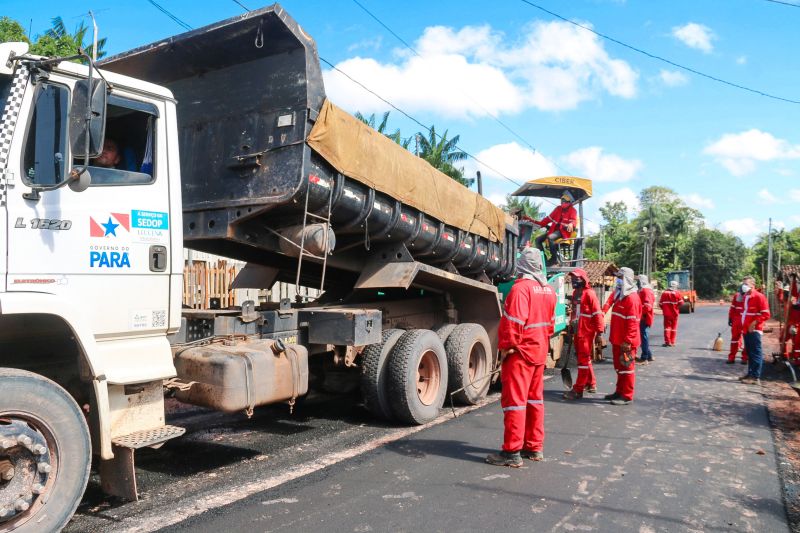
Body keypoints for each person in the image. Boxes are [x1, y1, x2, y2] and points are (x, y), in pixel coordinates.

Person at [486, 248, 557, 467]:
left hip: (520, 354)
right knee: (535, 401)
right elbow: (550, 325)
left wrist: (506, 347)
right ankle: (534, 448)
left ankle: (512, 452)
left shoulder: (520, 290)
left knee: (515, 402)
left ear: (522, 266)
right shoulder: (548, 291)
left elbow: (514, 322)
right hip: (538, 352)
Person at [563, 268, 604, 400]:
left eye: (577, 278)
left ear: (583, 279)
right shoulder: (575, 293)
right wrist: (570, 325)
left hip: (586, 332)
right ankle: (591, 384)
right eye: (573, 278)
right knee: (584, 359)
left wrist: (599, 333)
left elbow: (597, 314)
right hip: (577, 330)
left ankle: (578, 389)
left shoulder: (590, 294)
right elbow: (574, 311)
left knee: (583, 360)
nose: (574, 280)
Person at [604, 267, 641, 405]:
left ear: (626, 279)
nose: (617, 280)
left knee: (627, 368)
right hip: (617, 339)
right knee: (619, 367)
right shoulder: (620, 294)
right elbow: (608, 302)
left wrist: (628, 341)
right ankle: (619, 391)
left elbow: (633, 323)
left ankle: (627, 395)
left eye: (620, 277)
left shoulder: (631, 298)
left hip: (626, 342)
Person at [738, 276, 771, 384]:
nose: (744, 286)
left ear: (753, 285)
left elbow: (766, 314)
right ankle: (750, 374)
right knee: (750, 353)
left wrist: (754, 323)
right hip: (746, 329)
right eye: (743, 284)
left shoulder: (759, 296)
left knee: (756, 352)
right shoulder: (745, 296)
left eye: (746, 284)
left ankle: (755, 377)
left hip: (754, 330)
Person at [532, 191, 578, 266]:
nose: (562, 202)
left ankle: (554, 258)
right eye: (562, 201)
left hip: (563, 232)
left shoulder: (573, 210)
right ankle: (544, 259)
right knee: (538, 239)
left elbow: (574, 221)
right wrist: (534, 222)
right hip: (554, 231)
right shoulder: (558, 209)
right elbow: (547, 219)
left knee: (550, 237)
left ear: (570, 202)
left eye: (564, 201)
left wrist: (571, 224)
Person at [727, 286, 749, 365]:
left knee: (747, 340)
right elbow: (732, 307)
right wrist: (730, 318)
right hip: (737, 320)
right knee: (734, 339)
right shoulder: (737, 296)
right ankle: (731, 357)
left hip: (747, 320)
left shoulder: (752, 296)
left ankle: (745, 358)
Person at [636, 275, 655, 364]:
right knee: (644, 337)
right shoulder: (647, 289)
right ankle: (649, 355)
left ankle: (644, 357)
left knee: (643, 337)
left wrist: (639, 311)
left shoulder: (645, 290)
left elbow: (647, 306)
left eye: (638, 281)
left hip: (644, 317)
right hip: (645, 316)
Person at [659, 280, 682, 347]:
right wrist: (676, 308)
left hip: (666, 314)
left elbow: (660, 304)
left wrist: (664, 309)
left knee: (667, 327)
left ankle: (667, 342)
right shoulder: (677, 293)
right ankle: (672, 342)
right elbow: (681, 303)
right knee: (674, 328)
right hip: (675, 314)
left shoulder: (664, 293)